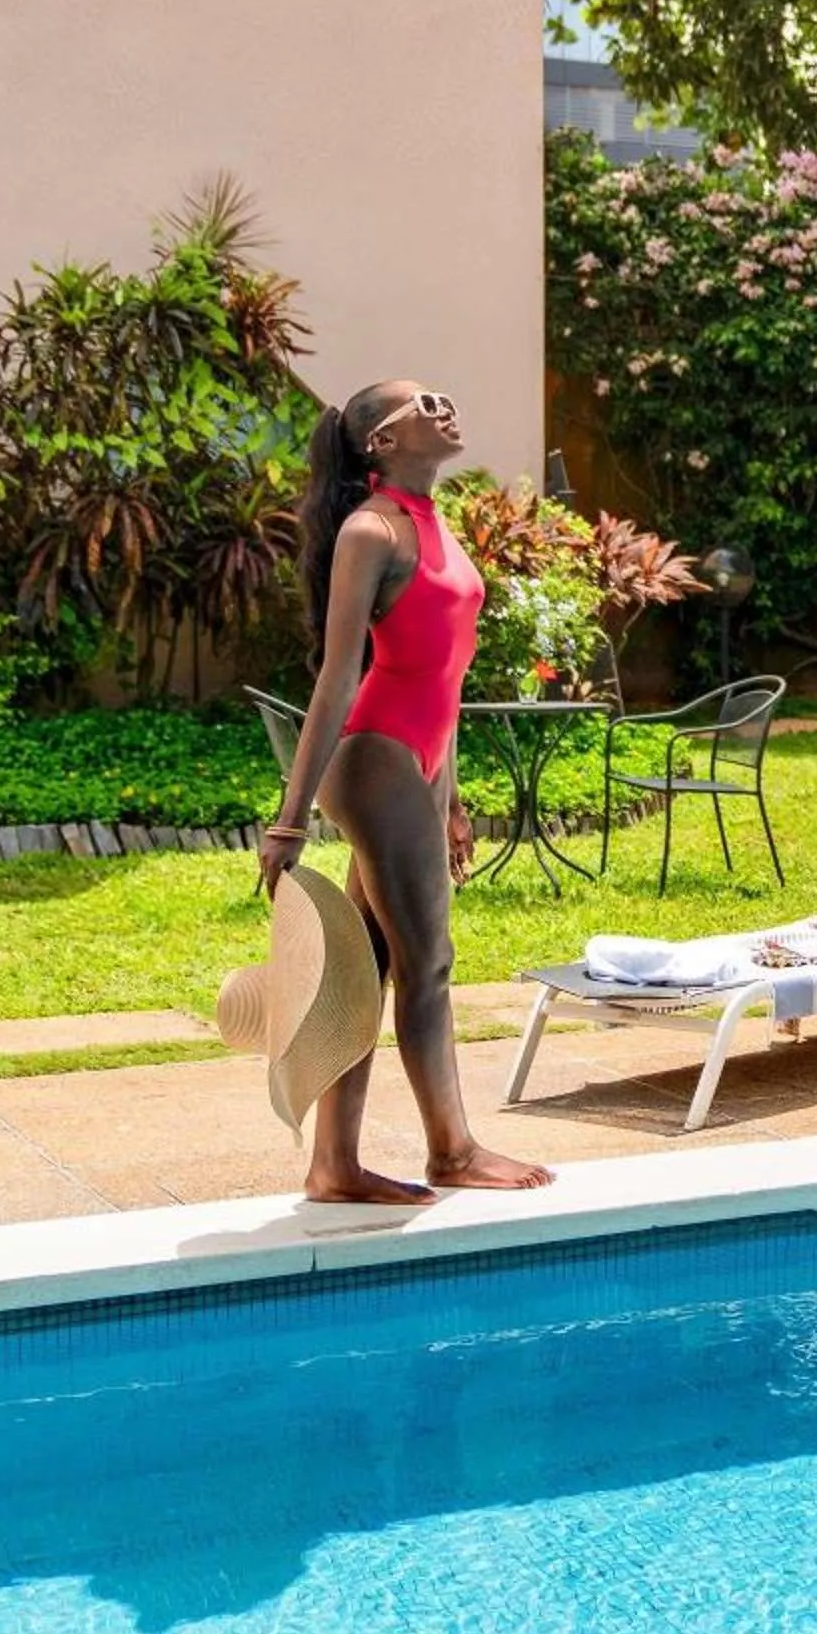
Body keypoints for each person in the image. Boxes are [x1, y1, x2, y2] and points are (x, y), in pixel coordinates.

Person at [257, 381, 552, 1203]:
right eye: (424, 402)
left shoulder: (430, 518)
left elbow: (445, 676)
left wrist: (449, 797)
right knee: (430, 965)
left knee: (369, 968)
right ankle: (452, 1151)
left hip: (420, 761)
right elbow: (337, 677)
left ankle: (333, 1166)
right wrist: (289, 821)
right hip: (376, 758)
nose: (446, 404)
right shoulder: (368, 530)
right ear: (380, 442)